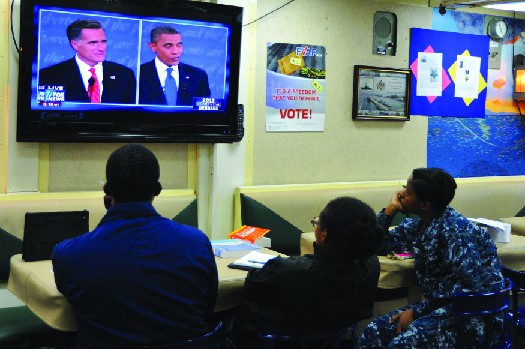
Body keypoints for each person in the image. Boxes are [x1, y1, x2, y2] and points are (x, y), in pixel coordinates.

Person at [51, 144, 218, 348]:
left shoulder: (68, 255)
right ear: (157, 190)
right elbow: (208, 307)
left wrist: (109, 218)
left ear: (107, 191)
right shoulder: (197, 242)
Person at [358, 167, 505, 348]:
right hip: (440, 309)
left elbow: (465, 291)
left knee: (402, 344)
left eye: (408, 192)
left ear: (425, 205)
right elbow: (380, 245)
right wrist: (389, 211)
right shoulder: (423, 224)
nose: (401, 194)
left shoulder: (455, 232)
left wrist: (416, 312)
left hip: (473, 317)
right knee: (373, 332)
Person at [233, 196, 384, 348]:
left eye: (317, 223)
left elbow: (251, 288)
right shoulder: (371, 268)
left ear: (324, 234)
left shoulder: (288, 271)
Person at [39, 19, 136, 104]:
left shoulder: (124, 75)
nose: (101, 48)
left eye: (103, 42)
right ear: (75, 44)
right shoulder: (50, 76)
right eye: (93, 43)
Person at [139, 25, 211, 106]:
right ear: (153, 47)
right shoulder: (138, 74)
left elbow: (204, 109)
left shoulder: (198, 75)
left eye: (179, 45)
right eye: (168, 46)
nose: (176, 51)